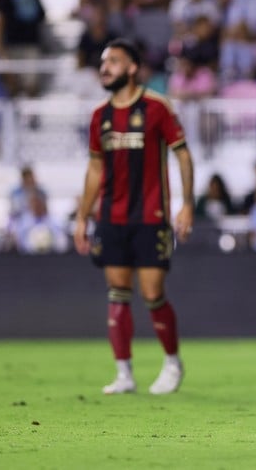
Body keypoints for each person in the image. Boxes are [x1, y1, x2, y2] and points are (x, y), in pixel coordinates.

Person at [73, 38, 195, 396]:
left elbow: (183, 155)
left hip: (151, 215)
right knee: (118, 292)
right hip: (111, 217)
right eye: (102, 61)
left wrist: (186, 203)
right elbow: (95, 168)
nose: (104, 67)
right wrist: (83, 217)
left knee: (153, 292)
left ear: (131, 68)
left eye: (113, 61)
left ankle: (172, 362)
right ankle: (124, 373)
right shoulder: (100, 116)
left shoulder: (157, 108)